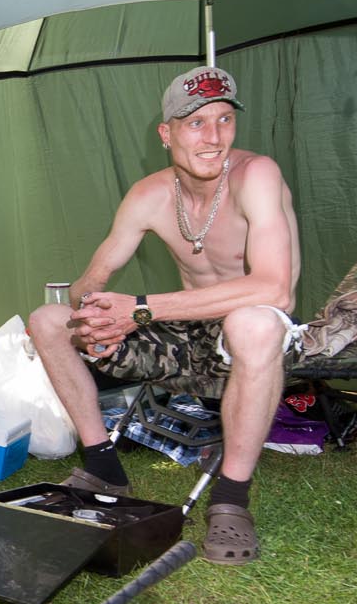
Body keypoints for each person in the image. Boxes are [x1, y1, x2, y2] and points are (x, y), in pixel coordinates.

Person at [27, 65, 301, 564]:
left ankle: (231, 500)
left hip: (252, 337)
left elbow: (275, 288)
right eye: (196, 123)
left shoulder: (256, 175)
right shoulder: (149, 194)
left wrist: (143, 310)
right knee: (48, 320)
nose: (214, 137)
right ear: (166, 133)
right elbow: (92, 280)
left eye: (224, 120)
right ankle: (103, 466)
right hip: (186, 333)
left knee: (254, 322)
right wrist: (95, 318)